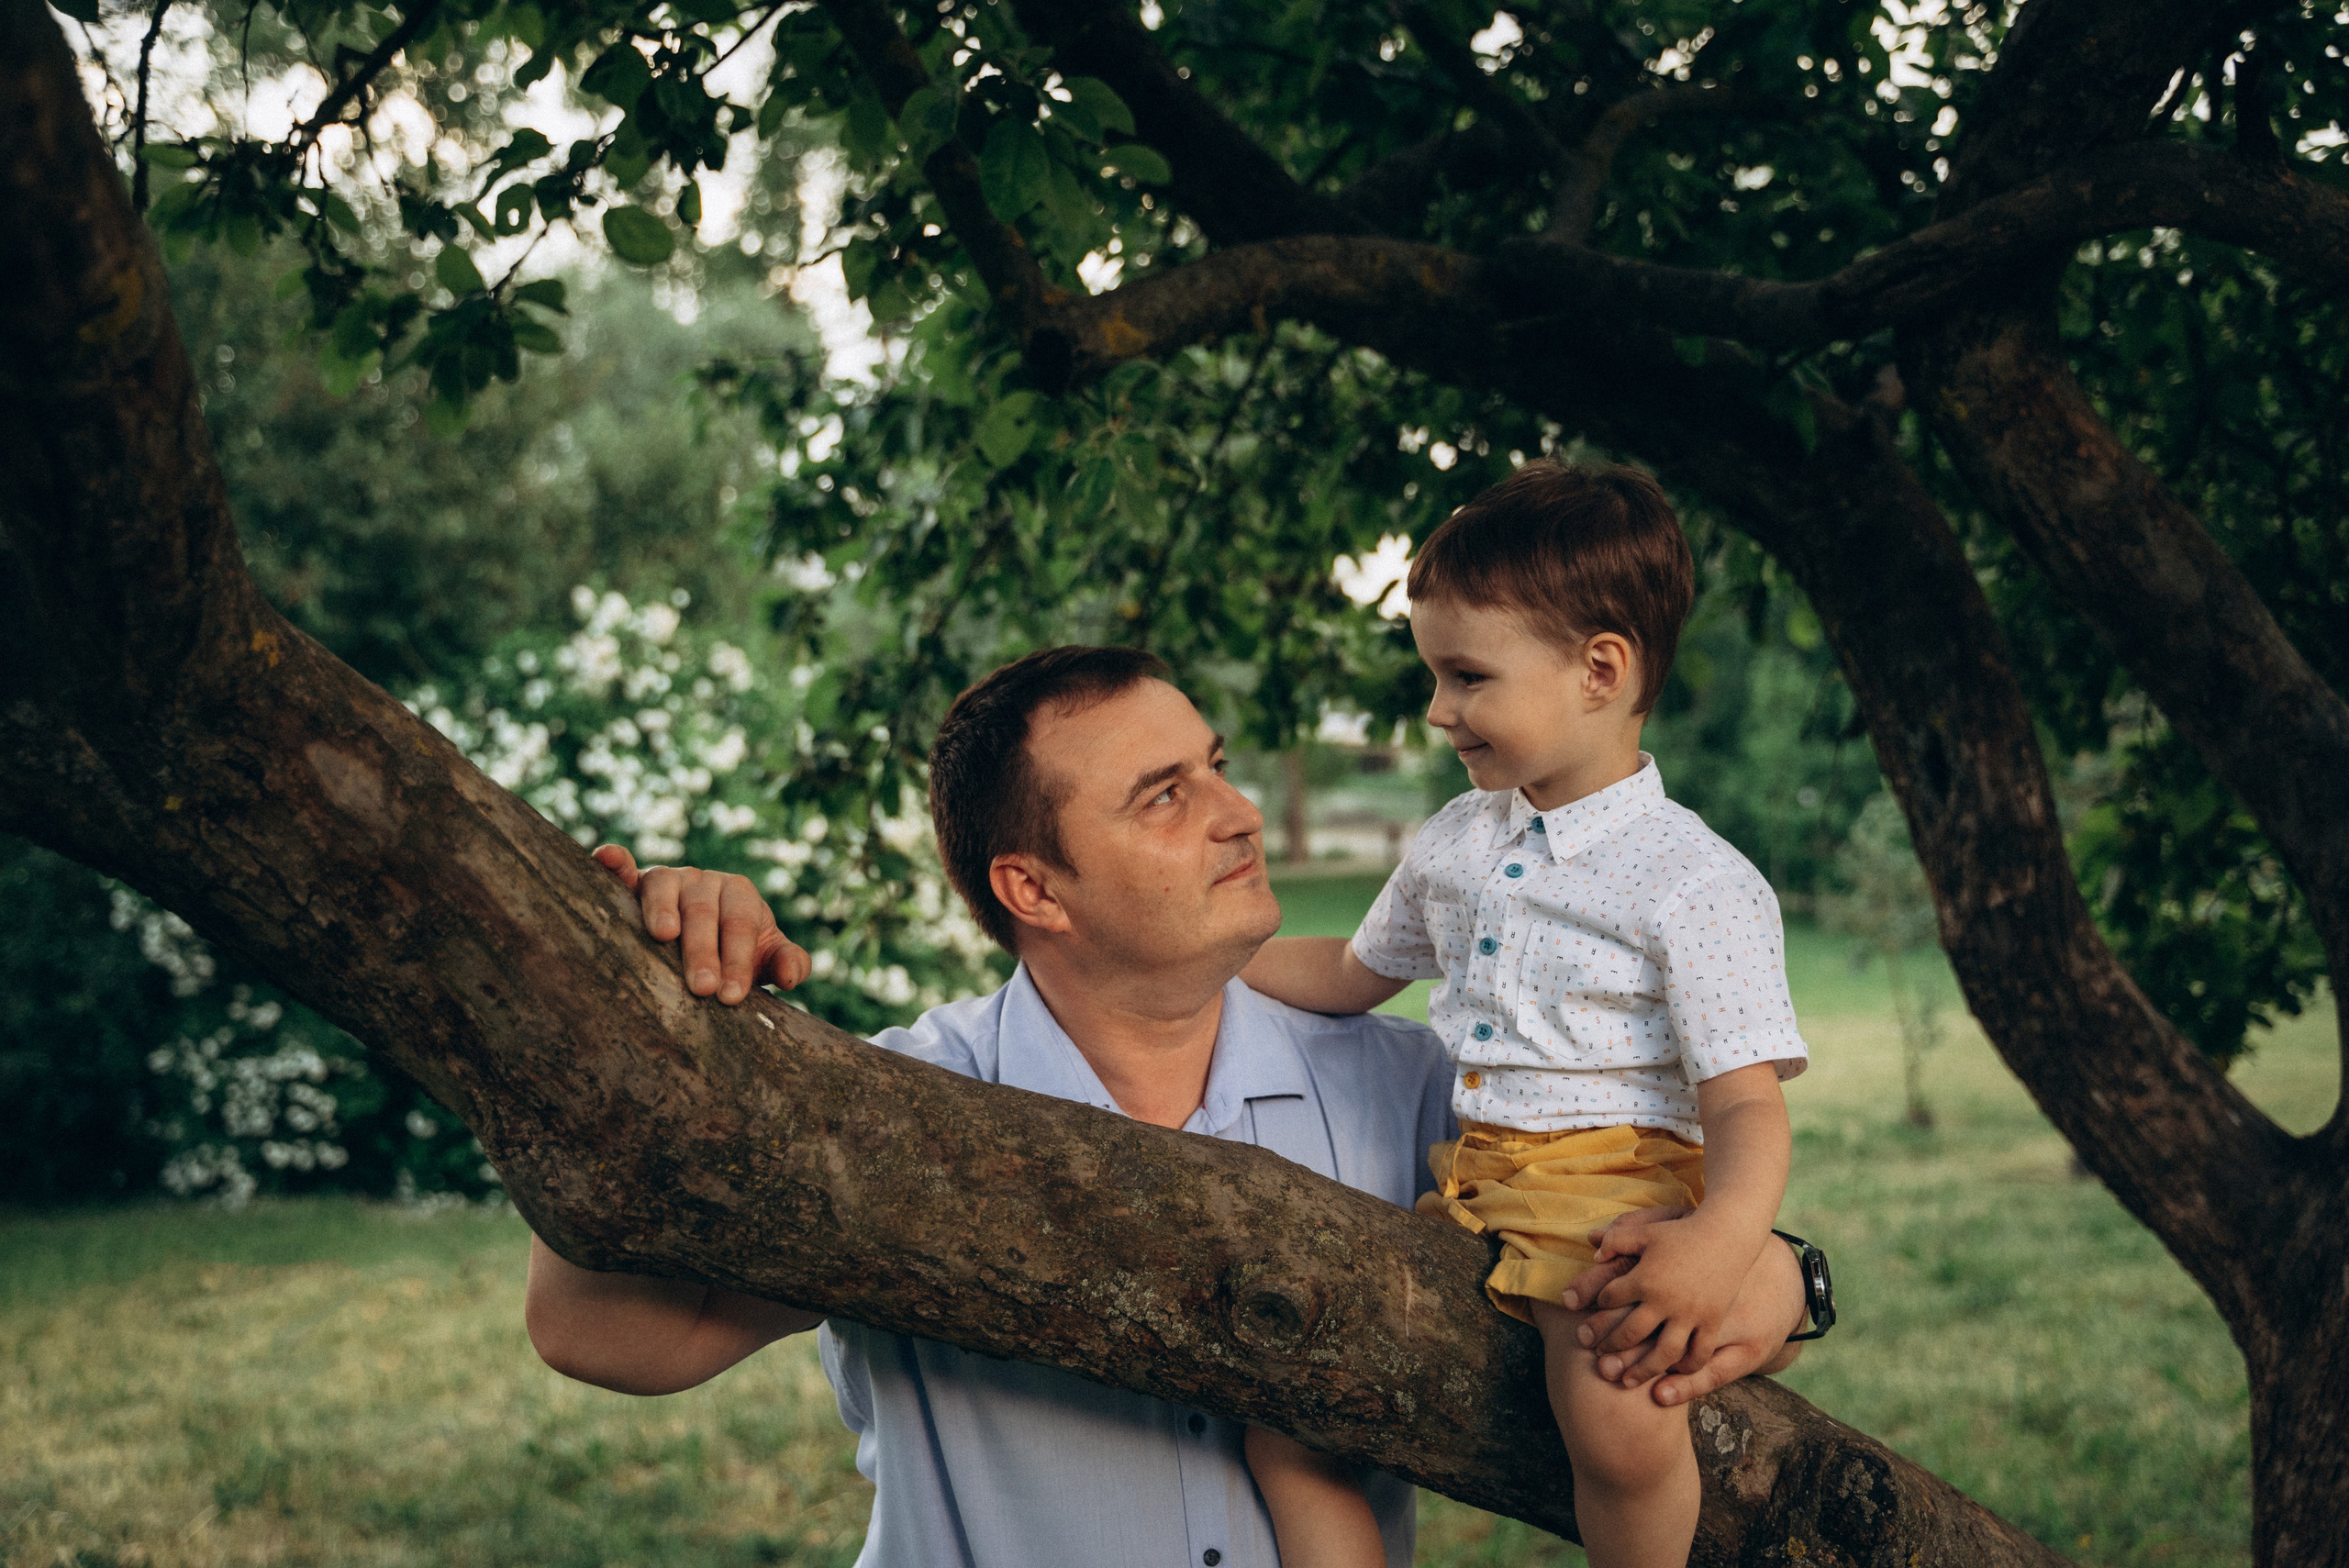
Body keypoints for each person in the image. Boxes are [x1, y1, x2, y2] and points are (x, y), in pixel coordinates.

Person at [524, 643, 1818, 1568]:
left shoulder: (1414, 1086)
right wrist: (627, 1031)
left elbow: (1636, 1249)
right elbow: (604, 1334)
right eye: (1166, 796)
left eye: (1215, 767)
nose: (1239, 815)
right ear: (1034, 888)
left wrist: (1782, 1278)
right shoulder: (893, 1107)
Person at [1238, 462, 1809, 1568]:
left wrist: (1718, 1244)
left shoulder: (1694, 880)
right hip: (1472, 1182)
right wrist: (1216, 965)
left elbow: (1745, 1106)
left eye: (1466, 676)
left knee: (1618, 1416)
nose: (1437, 709)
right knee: (1305, 1387)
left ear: (1599, 669)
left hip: (1614, 1194)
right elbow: (1353, 969)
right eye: (1434, 674)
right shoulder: (1457, 838)